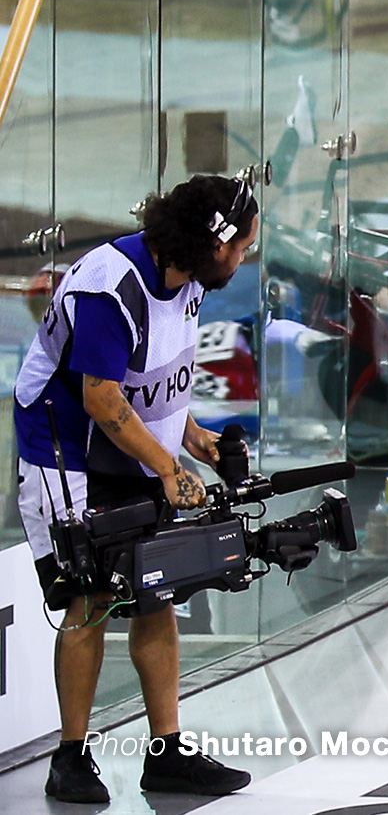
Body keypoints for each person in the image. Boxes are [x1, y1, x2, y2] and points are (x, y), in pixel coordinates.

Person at [12, 175, 260, 803]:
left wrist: (192, 438)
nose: (246, 256)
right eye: (243, 247)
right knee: (91, 598)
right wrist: (171, 470)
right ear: (213, 244)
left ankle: (166, 751)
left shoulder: (189, 279)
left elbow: (157, 381)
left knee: (156, 590)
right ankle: (70, 758)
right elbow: (101, 397)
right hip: (68, 448)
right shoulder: (109, 288)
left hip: (126, 440)